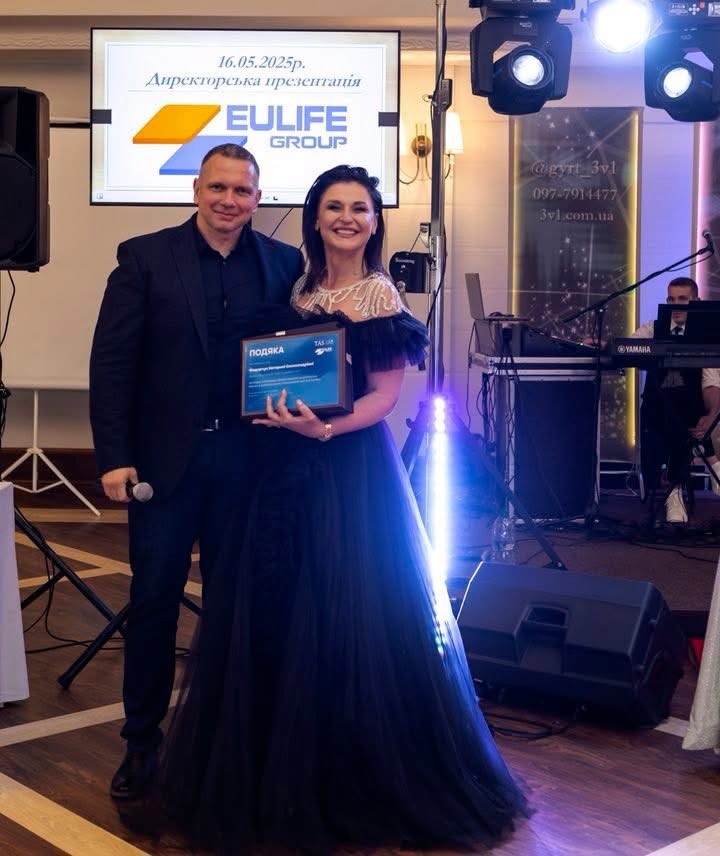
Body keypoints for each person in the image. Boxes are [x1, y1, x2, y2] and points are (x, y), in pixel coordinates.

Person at [153, 164, 529, 853]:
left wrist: (322, 429)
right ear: (315, 217)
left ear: (376, 221)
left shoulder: (380, 294)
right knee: (279, 613)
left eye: (360, 207)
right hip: (279, 469)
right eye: (334, 206)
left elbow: (385, 399)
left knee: (345, 614)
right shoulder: (296, 287)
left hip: (347, 473)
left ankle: (344, 781)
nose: (347, 218)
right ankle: (277, 777)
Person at [89, 143, 304, 800]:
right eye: (217, 188)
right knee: (154, 601)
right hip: (165, 466)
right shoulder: (144, 256)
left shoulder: (284, 263)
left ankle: (230, 742)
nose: (228, 201)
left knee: (239, 605)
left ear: (257, 198)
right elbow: (113, 363)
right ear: (196, 191)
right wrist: (113, 455)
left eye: (241, 191)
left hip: (250, 461)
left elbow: (300, 355)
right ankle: (141, 743)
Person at [631, 276, 720, 524]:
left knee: (681, 404)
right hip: (656, 410)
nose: (675, 305)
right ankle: (711, 461)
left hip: (690, 410)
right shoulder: (653, 328)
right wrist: (605, 346)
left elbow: (711, 382)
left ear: (696, 302)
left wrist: (712, 416)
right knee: (667, 403)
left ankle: (675, 489)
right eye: (671, 300)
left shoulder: (706, 337)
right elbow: (626, 347)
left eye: (683, 299)